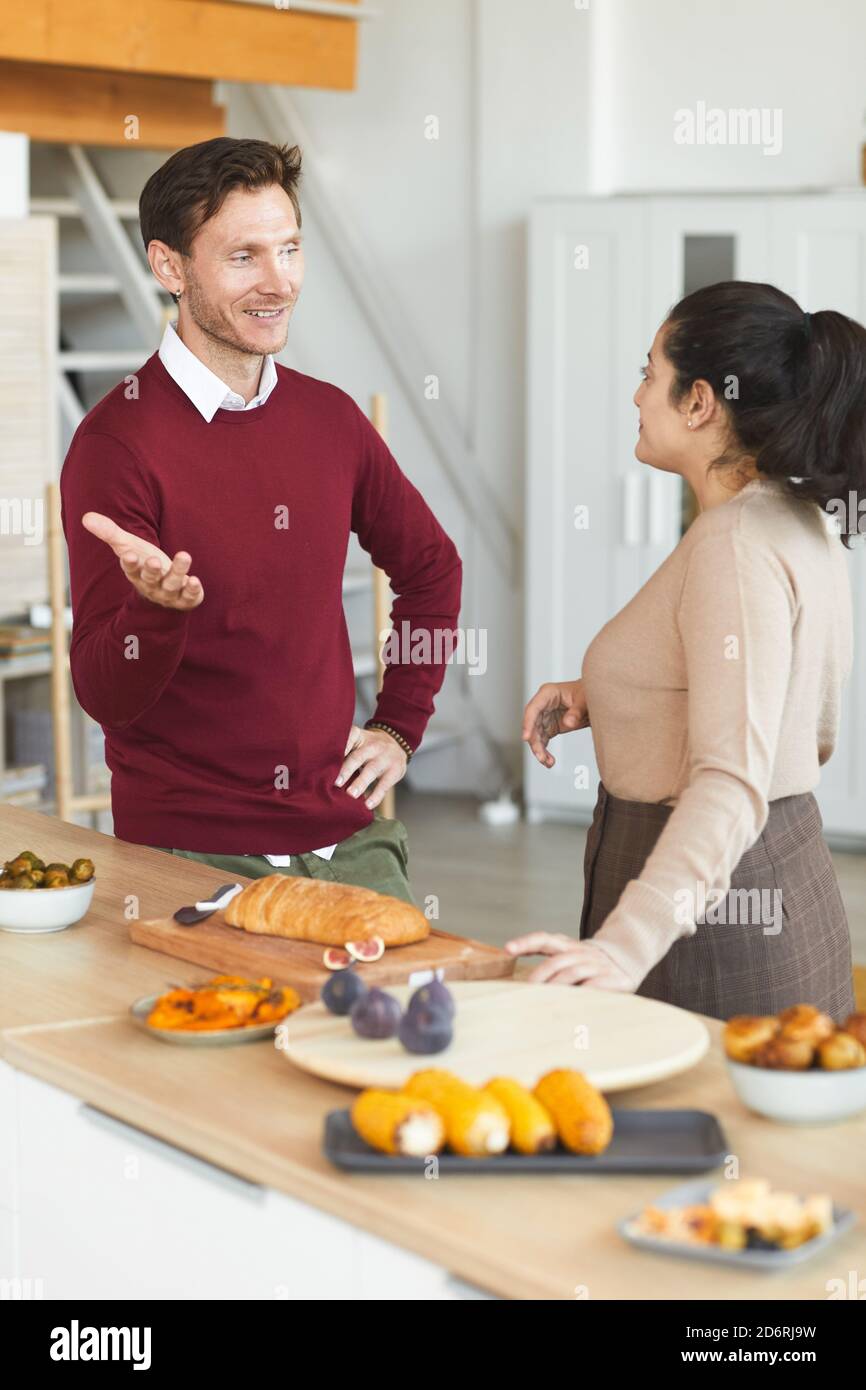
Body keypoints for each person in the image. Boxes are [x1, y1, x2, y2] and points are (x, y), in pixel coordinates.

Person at [60, 137, 461, 905]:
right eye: (244, 257)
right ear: (170, 267)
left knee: (408, 1021)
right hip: (190, 855)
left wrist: (401, 724)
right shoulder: (117, 445)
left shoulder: (330, 419)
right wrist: (155, 613)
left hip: (350, 840)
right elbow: (103, 693)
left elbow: (432, 568)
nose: (279, 282)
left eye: (290, 249)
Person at [508, 281, 863, 1020]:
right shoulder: (792, 516)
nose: (637, 397)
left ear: (700, 402)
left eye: (650, 374)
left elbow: (733, 781)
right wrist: (607, 696)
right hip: (765, 877)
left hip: (708, 919)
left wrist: (622, 947)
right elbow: (798, 715)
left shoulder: (735, 547)